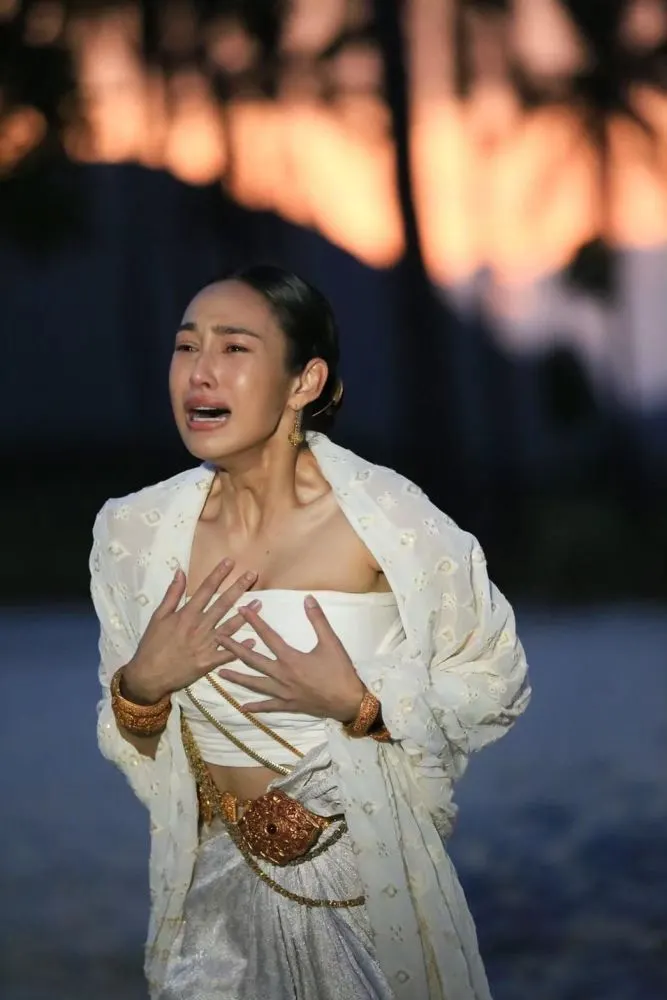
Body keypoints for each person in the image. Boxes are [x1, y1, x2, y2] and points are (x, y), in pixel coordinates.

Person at [90, 265, 531, 1000]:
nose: (200, 373)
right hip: (214, 909)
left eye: (234, 348)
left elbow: (496, 681)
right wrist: (141, 687)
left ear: (305, 381)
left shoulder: (385, 518)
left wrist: (361, 704)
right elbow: (134, 745)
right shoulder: (134, 533)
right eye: (186, 346)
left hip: (362, 897)